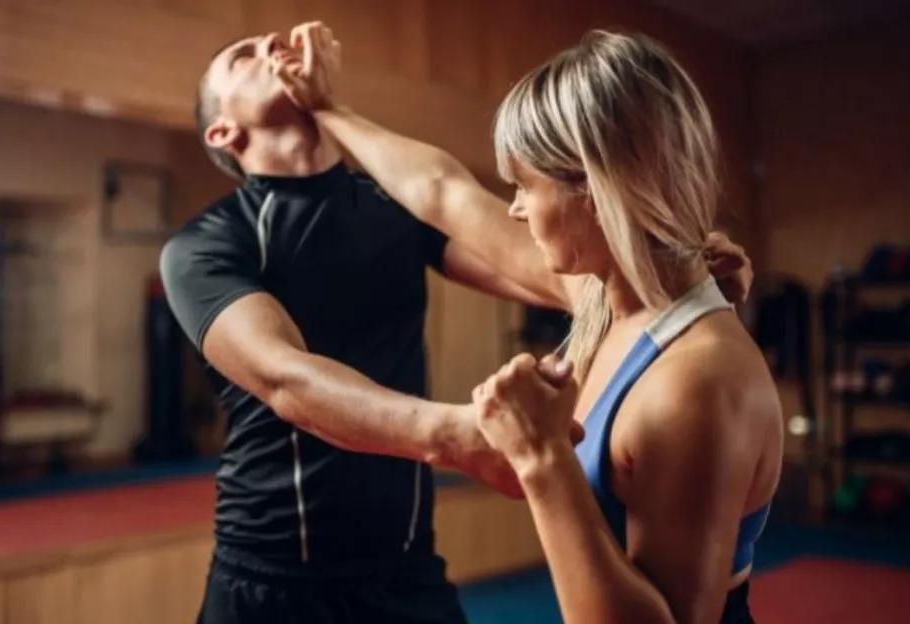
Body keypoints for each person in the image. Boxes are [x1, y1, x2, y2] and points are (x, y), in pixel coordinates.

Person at [162, 28, 756, 624]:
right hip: (271, 573)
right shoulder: (205, 245)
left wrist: (669, 259)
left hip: (404, 567)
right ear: (222, 132)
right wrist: (467, 435)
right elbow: (287, 381)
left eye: (523, 187)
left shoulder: (391, 208)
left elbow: (461, 204)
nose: (272, 47)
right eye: (244, 56)